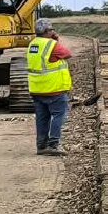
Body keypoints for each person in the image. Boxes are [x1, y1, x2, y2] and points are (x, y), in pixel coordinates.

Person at [27, 18, 71, 155]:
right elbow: (67, 54)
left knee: (42, 118)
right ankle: (53, 145)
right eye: (52, 29)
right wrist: (56, 40)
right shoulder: (52, 44)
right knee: (58, 116)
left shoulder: (32, 44)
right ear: (47, 32)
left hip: (37, 89)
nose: (54, 31)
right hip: (53, 89)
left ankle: (41, 146)